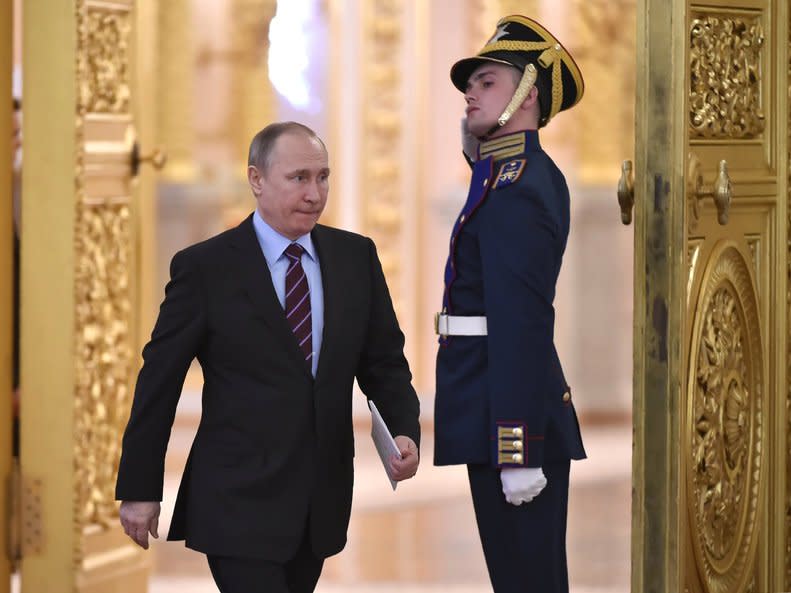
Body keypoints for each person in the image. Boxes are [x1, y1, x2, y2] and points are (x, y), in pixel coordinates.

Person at [116, 121, 421, 593]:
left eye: (323, 177)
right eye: (299, 177)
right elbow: (159, 381)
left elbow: (384, 363)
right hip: (236, 499)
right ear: (256, 179)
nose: (314, 193)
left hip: (320, 503)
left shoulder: (355, 257)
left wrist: (403, 429)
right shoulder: (205, 268)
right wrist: (139, 488)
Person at [433, 15, 586, 593]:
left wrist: (517, 448)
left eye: (488, 81)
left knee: (528, 581)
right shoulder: (503, 174)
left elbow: (521, 324)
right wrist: (479, 159)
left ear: (529, 94)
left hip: (512, 420)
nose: (470, 91)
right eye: (470, 83)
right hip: (491, 401)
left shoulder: (518, 186)